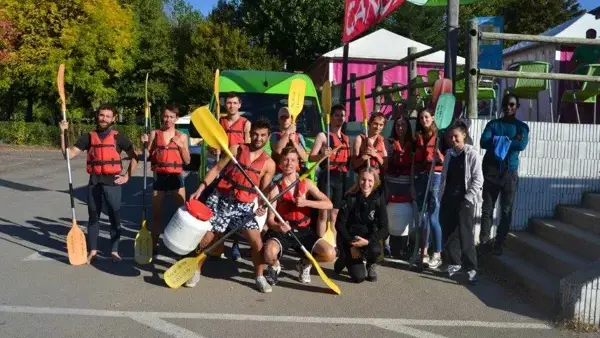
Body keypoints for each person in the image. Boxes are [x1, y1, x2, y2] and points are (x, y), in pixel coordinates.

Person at [187, 118, 276, 292]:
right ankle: (195, 270)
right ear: (250, 134)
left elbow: (264, 191)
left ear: (268, 137)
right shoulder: (236, 149)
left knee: (257, 242)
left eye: (263, 135)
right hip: (222, 199)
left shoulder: (269, 163)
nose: (258, 138)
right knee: (207, 238)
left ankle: (259, 276)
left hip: (243, 206)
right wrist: (201, 187)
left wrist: (263, 206)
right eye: (256, 134)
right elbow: (217, 169)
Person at [59, 104, 138, 263]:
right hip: (95, 182)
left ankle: (114, 250)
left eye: (108, 116)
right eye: (102, 115)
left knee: (115, 218)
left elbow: (135, 156)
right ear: (98, 116)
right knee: (93, 217)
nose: (104, 119)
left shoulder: (118, 137)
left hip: (113, 183)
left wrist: (127, 176)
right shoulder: (88, 137)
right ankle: (93, 251)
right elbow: (68, 155)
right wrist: (62, 133)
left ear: (113, 118)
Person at [261, 146, 336, 290]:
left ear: (297, 164)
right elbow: (270, 220)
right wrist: (279, 227)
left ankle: (304, 263)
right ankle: (275, 266)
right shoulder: (275, 188)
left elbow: (329, 203)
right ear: (281, 163)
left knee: (330, 254)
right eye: (286, 160)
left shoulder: (307, 183)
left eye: (293, 160)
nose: (289, 163)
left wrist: (306, 202)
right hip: (283, 231)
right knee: (269, 253)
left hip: (304, 231)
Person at [479, 93, 529, 256]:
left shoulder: (522, 127)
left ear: (517, 107)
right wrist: (509, 140)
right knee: (487, 209)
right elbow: (483, 142)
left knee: (506, 210)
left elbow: (521, 145)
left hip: (510, 172)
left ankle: (499, 243)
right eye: (506, 104)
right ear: (501, 105)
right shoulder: (493, 124)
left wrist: (498, 140)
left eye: (512, 104)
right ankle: (484, 242)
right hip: (491, 171)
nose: (509, 107)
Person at [141, 104, 191, 255]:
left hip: (176, 177)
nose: (168, 119)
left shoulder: (182, 136)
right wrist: (144, 144)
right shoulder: (154, 134)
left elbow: (187, 161)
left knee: (182, 214)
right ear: (162, 117)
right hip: (160, 177)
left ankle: (182, 245)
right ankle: (154, 244)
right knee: (157, 214)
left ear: (176, 119)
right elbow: (147, 156)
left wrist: (182, 147)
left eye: (171, 117)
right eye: (166, 116)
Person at [438, 121, 483, 284]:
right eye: (450, 137)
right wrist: (440, 195)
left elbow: (478, 179)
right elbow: (444, 177)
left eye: (456, 136)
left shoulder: (472, 154)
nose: (453, 139)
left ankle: (471, 268)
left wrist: (468, 198)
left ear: (464, 135)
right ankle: (454, 263)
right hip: (448, 198)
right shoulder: (449, 154)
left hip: (464, 200)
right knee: (449, 232)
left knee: (466, 235)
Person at [334, 167, 389, 283]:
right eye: (363, 179)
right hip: (350, 239)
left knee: (375, 249)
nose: (366, 184)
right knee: (358, 278)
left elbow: (384, 228)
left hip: (366, 239)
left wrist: (368, 241)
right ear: (359, 180)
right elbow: (339, 225)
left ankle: (370, 263)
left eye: (370, 181)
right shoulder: (350, 197)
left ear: (375, 183)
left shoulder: (378, 199)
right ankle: (344, 257)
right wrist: (351, 245)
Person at [308, 104, 351, 243]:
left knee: (334, 214)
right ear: (331, 117)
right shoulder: (323, 136)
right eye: (337, 115)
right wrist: (322, 155)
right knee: (323, 213)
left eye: (342, 115)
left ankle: (332, 243)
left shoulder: (346, 138)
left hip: (340, 178)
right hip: (327, 176)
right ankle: (320, 243)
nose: (340, 118)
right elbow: (311, 157)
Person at [217, 92, 251, 261]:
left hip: (238, 170)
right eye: (228, 103)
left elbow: (249, 147)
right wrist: (212, 149)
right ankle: (219, 245)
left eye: (234, 103)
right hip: (223, 168)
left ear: (239, 105)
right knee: (221, 208)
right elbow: (212, 143)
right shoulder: (219, 121)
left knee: (237, 210)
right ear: (225, 105)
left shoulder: (246, 123)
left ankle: (236, 244)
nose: (231, 105)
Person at [411, 107, 444, 269]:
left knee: (432, 217)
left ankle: (437, 253)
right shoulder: (417, 137)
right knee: (422, 218)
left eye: (427, 117)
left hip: (435, 177)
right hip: (421, 177)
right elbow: (414, 161)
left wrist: (440, 157)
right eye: (421, 117)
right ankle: (422, 252)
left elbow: (447, 161)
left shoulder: (441, 136)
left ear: (432, 118)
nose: (424, 120)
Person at [383, 116, 414, 258]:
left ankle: (402, 248)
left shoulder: (412, 144)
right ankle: (385, 245)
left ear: (407, 127)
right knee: (389, 215)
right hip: (391, 183)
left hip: (406, 183)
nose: (400, 128)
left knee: (404, 216)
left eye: (403, 125)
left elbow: (414, 165)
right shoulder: (389, 143)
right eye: (398, 125)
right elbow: (385, 164)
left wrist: (412, 185)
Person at [270, 107, 308, 172]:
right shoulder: (274, 135)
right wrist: (287, 132)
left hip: (296, 173)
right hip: (279, 173)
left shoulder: (299, 136)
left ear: (291, 119)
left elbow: (305, 158)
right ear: (279, 120)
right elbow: (278, 150)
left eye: (287, 117)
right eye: (282, 118)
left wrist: (294, 142)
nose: (285, 120)